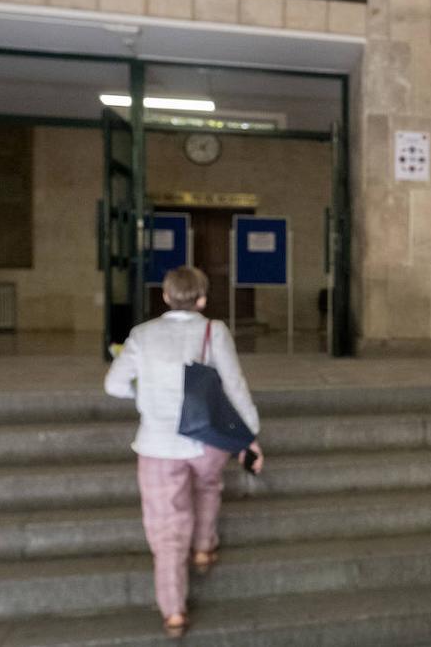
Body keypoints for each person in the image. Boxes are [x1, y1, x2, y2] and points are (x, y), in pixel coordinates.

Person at [105, 266, 263, 638]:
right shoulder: (215, 331)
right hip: (206, 438)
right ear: (203, 299)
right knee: (208, 489)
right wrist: (249, 435)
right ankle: (205, 548)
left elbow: (114, 385)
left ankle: (174, 611)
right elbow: (234, 385)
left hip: (158, 444)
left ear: (164, 296)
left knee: (166, 527)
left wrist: (144, 395)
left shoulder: (142, 335)